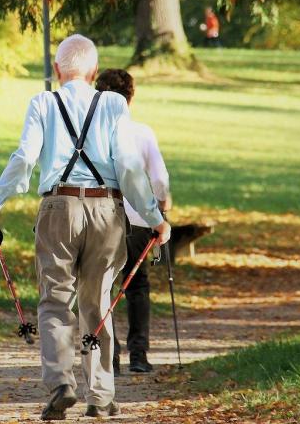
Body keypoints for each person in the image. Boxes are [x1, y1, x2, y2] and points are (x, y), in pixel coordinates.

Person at [0, 34, 172, 420]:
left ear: (57, 70)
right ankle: (100, 395)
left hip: (58, 207)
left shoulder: (43, 103)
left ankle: (61, 383)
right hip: (106, 210)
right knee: (98, 303)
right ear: (94, 72)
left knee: (54, 300)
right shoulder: (114, 104)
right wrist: (154, 218)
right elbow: (130, 169)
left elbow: (24, 158)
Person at [94, 69, 170, 375]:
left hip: (102, 217)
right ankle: (139, 354)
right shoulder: (141, 132)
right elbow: (160, 178)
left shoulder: (92, 134)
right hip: (139, 218)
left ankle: (109, 356)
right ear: (131, 97)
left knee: (103, 285)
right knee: (138, 285)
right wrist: (162, 206)